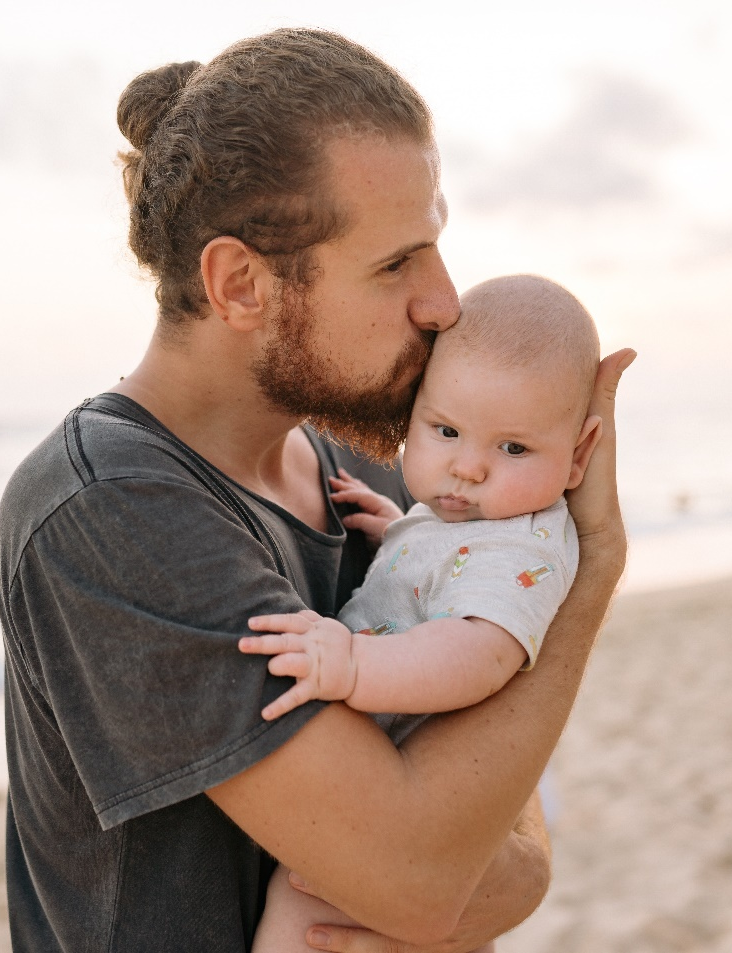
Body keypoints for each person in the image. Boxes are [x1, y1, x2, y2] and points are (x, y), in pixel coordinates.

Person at [0, 28, 634, 953]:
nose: (446, 301)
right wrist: (594, 566)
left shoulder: (377, 471)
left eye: (435, 248)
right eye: (396, 263)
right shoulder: (109, 511)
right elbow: (423, 875)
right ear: (240, 283)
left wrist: (512, 872)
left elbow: (494, 800)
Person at [240, 274, 604, 953]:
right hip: (403, 796)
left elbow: (473, 655)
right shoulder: (464, 517)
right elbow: (446, 567)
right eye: (444, 430)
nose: (467, 468)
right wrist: (401, 528)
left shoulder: (528, 545)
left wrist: (352, 665)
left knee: (301, 913)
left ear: (578, 454)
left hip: (413, 795)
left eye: (514, 448)